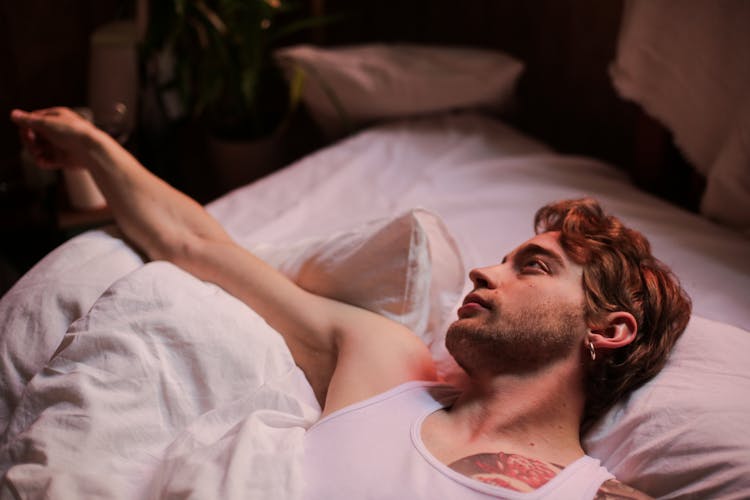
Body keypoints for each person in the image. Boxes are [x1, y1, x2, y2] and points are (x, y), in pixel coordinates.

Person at [11, 107, 691, 499]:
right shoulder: (389, 370)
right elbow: (195, 245)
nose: (485, 271)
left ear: (610, 329)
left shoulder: (594, 496)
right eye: (502, 257)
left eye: (531, 267)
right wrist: (95, 149)